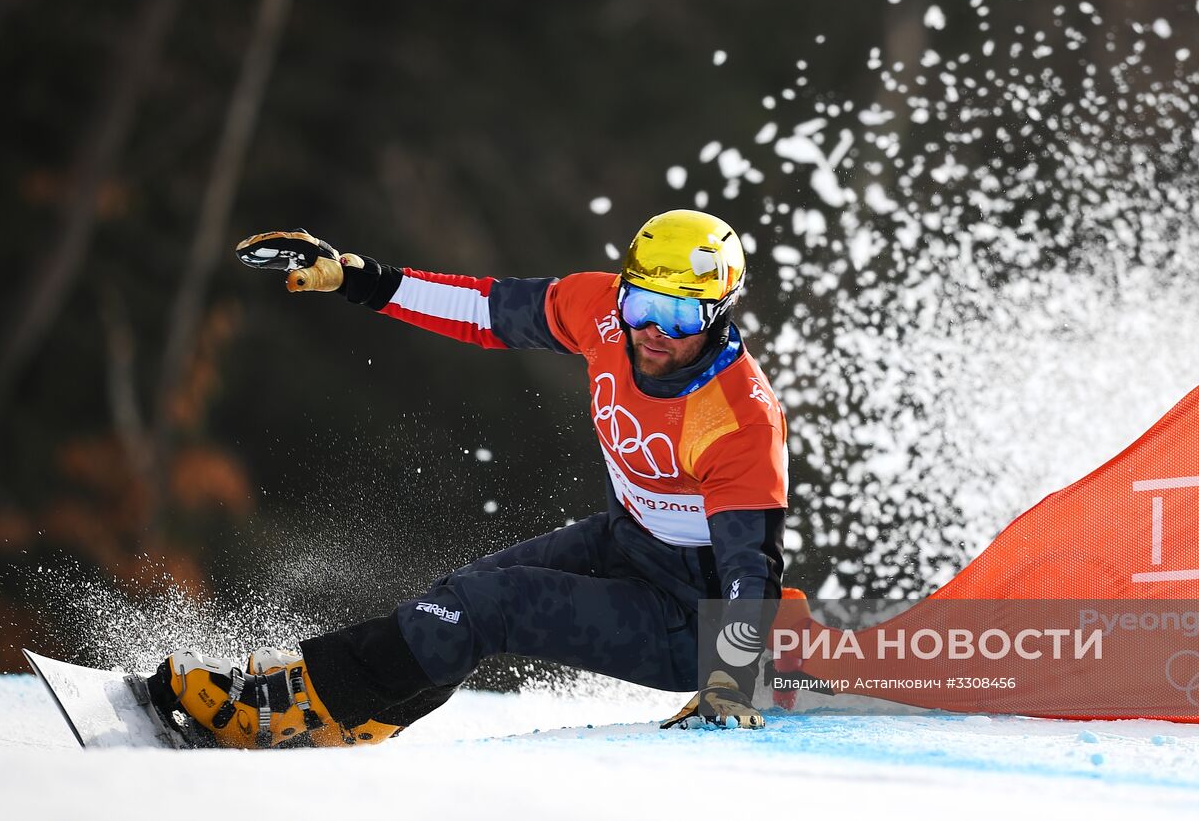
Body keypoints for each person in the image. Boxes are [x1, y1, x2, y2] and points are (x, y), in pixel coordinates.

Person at [146, 209, 789, 748]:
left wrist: (730, 678)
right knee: (459, 594)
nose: (652, 330)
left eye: (680, 316)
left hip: (692, 615)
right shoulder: (601, 312)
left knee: (485, 608)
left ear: (719, 315)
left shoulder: (737, 418)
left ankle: (280, 711)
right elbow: (483, 310)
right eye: (643, 302)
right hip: (629, 543)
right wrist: (355, 277)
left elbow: (750, 562)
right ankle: (357, 717)